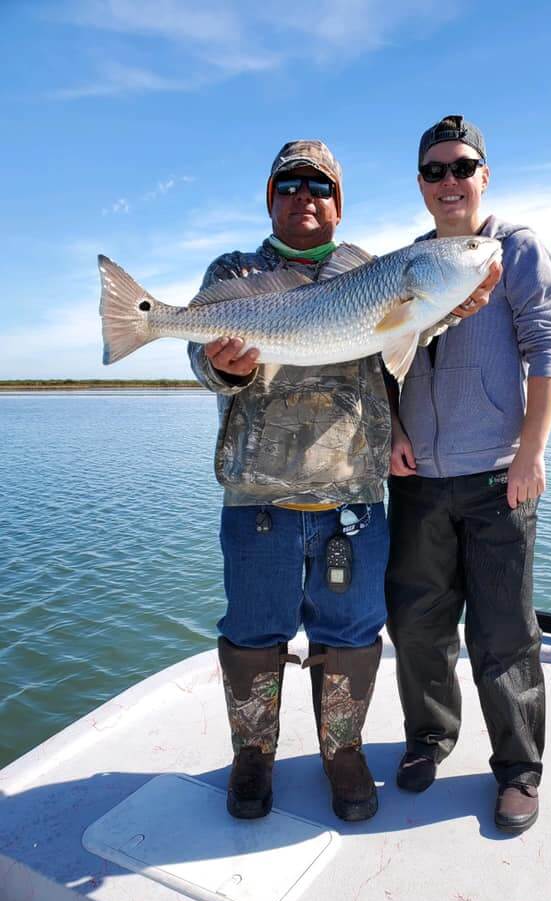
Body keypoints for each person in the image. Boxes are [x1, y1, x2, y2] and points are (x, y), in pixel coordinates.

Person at [188, 140, 392, 823]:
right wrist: (225, 366)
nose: (305, 195)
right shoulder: (235, 270)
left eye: (320, 186)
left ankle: (343, 751)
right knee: (253, 631)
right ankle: (254, 756)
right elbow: (201, 357)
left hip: (353, 501)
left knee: (354, 631)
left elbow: (400, 360)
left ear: (339, 202)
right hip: (259, 499)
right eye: (290, 184)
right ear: (270, 197)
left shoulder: (370, 269)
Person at [385, 115, 551, 833]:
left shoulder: (514, 249)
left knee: (504, 632)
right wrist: (397, 430)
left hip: (498, 478)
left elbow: (548, 351)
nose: (449, 181)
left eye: (462, 167)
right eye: (434, 170)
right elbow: (383, 359)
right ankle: (429, 737)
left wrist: (531, 452)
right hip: (420, 478)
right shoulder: (405, 262)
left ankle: (518, 769)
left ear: (484, 175)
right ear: (422, 185)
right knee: (420, 625)